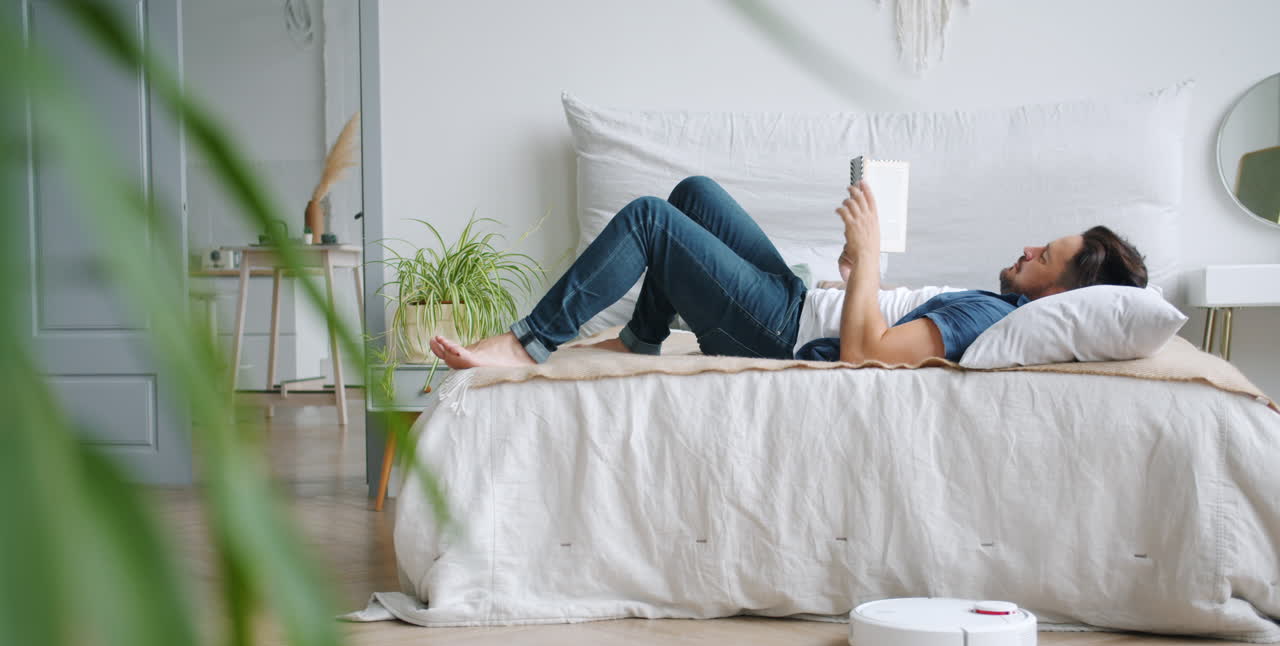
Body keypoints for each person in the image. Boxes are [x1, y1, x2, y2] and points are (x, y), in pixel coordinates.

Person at [429, 176, 1148, 369]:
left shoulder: (993, 321)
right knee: (694, 195)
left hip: (777, 333)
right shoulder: (994, 304)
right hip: (803, 303)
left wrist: (867, 257)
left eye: (1043, 257)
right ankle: (643, 336)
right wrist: (853, 278)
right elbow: (873, 320)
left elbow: (867, 356)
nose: (1028, 250)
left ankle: (526, 343)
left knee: (652, 217)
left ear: (1060, 294)